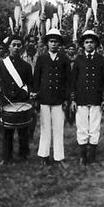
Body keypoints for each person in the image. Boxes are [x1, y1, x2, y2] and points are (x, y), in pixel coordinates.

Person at [0, 35, 33, 165]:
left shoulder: (26, 66)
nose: (16, 47)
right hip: (7, 100)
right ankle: (7, 158)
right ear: (9, 47)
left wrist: (29, 92)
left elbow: (31, 83)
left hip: (21, 100)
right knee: (7, 131)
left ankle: (23, 155)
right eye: (14, 45)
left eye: (19, 45)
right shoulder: (2, 64)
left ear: (22, 47)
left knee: (23, 129)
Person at [32, 29, 71, 168]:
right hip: (44, 98)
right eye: (51, 41)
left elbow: (68, 81)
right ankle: (44, 155)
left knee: (58, 128)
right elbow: (36, 78)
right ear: (47, 43)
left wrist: (67, 99)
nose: (54, 44)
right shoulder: (42, 58)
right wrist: (35, 95)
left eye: (56, 42)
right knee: (45, 127)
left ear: (60, 44)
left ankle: (59, 157)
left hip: (59, 99)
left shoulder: (64, 59)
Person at [70, 30, 104, 166]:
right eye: (87, 42)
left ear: (96, 44)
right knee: (82, 126)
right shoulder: (79, 60)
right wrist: (73, 99)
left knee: (95, 126)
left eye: (92, 42)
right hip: (81, 98)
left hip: (96, 98)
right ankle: (83, 156)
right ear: (83, 45)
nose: (89, 45)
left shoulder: (101, 59)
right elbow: (73, 80)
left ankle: (92, 156)